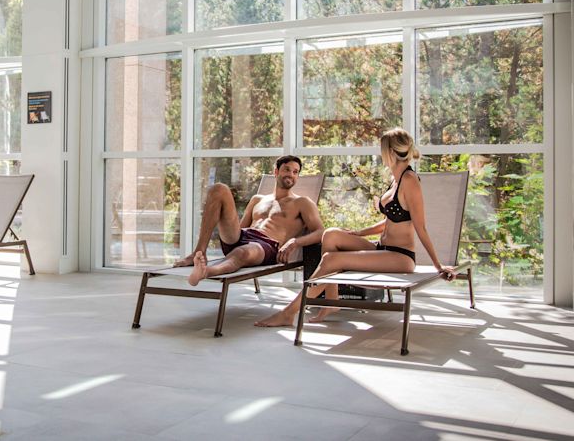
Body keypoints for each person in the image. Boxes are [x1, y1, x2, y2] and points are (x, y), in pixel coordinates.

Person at [255, 128, 458, 327]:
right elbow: (392, 220)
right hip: (381, 248)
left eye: (381, 149)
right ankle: (331, 300)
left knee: (331, 260)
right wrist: (359, 233)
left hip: (400, 257)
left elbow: (420, 226)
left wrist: (438, 266)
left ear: (389, 151)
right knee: (331, 234)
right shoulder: (395, 179)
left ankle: (289, 313)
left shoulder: (409, 180)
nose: (380, 154)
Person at [174, 155, 324, 287]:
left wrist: (295, 242)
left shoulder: (303, 203)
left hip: (267, 246)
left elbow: (320, 232)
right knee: (219, 189)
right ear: (276, 172)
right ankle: (199, 252)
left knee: (243, 251)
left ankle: (205, 272)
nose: (291, 174)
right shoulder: (257, 199)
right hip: (242, 237)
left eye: (295, 172)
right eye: (287, 169)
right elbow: (240, 229)